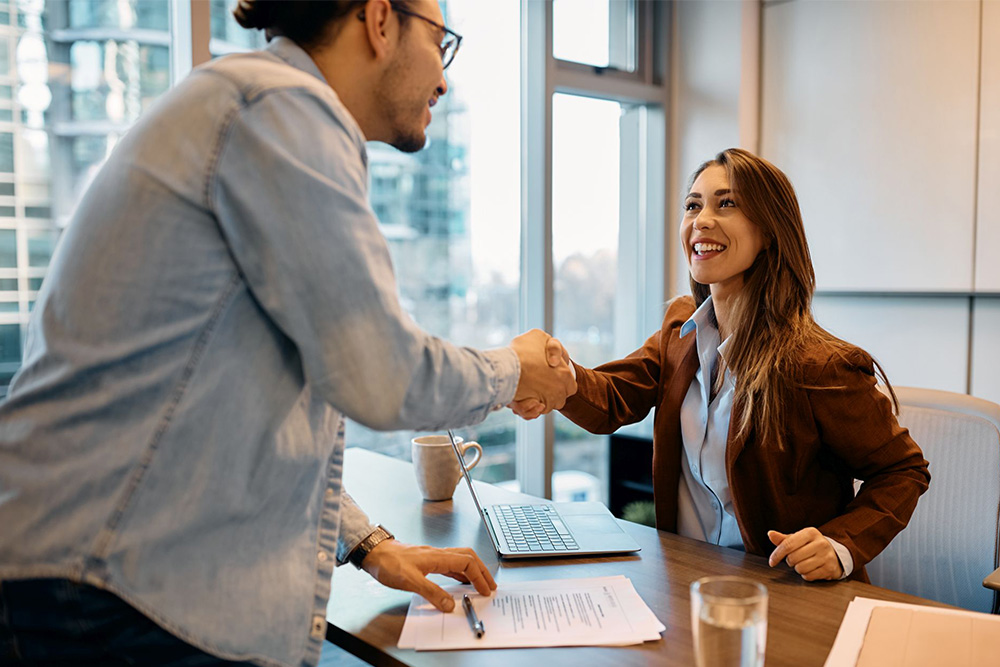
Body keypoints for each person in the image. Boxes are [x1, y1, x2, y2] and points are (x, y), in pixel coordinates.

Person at [0, 1, 575, 666]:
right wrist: (513, 370)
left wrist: (367, 542)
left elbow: (255, 397)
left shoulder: (252, 103)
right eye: (440, 43)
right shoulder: (282, 110)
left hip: (97, 576)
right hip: (106, 593)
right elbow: (382, 372)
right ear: (381, 20)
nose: (444, 82)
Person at [512, 148, 930, 583]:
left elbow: (904, 470)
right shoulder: (680, 330)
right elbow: (613, 399)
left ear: (769, 231)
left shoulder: (820, 366)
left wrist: (840, 543)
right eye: (693, 204)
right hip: (687, 580)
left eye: (726, 203)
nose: (702, 219)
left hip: (786, 593)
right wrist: (560, 377)